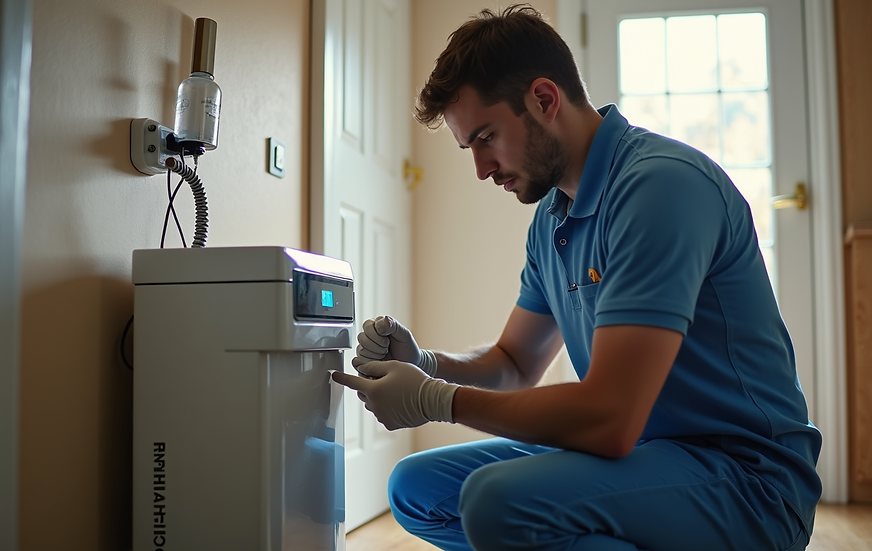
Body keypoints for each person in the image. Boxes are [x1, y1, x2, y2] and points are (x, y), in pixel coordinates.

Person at [330, 4, 822, 550]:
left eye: (487, 137)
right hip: (642, 456)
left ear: (544, 100)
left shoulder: (659, 188)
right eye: (471, 147)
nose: (481, 168)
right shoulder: (552, 218)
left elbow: (610, 418)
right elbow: (515, 364)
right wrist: (426, 365)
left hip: (746, 480)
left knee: (497, 500)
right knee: (416, 487)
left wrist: (435, 399)